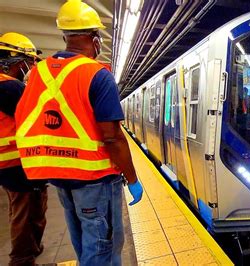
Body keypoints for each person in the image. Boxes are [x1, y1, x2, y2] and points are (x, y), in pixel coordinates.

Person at [14, 0, 144, 265]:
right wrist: (132, 179)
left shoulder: (36, 74)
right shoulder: (97, 74)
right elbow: (112, 137)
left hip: (60, 177)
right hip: (95, 179)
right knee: (102, 249)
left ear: (64, 36)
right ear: (95, 38)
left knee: (84, 244)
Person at [0, 32, 48, 266]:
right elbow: (36, 117)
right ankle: (22, 259)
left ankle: (31, 250)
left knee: (20, 209)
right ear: (17, 63)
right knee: (25, 212)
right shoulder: (10, 88)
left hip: (8, 164)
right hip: (18, 162)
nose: (30, 68)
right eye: (29, 63)